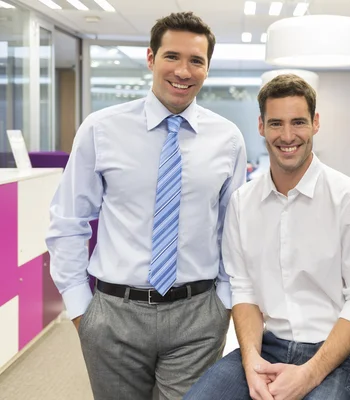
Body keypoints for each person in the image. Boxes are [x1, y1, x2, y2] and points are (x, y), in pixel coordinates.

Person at [46, 12, 247, 400]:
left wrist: (223, 303)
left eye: (196, 61)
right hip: (113, 315)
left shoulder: (228, 139)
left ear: (207, 67)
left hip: (197, 315)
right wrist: (80, 310)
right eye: (172, 56)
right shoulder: (101, 129)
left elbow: (234, 230)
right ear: (151, 58)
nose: (183, 71)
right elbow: (68, 220)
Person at [184, 74, 350, 400]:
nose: (287, 136)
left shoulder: (348, 197)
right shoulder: (243, 203)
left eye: (298, 123)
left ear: (315, 123)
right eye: (276, 123)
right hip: (269, 347)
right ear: (261, 126)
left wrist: (309, 374)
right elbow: (244, 289)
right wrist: (250, 362)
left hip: (339, 357)